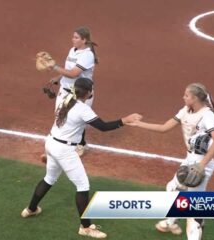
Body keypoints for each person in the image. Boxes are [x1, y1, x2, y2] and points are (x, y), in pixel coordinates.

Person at [21, 78, 141, 239]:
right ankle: (85, 227)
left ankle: (30, 209)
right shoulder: (82, 109)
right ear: (89, 93)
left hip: (51, 143)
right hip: (64, 150)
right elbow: (103, 127)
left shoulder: (64, 99)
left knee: (49, 178)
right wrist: (125, 120)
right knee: (83, 186)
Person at [128, 83, 214, 240]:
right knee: (173, 188)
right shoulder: (185, 111)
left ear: (194, 98)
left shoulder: (207, 115)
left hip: (202, 162)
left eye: (186, 95)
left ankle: (191, 226)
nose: (183, 97)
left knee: (193, 208)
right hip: (190, 159)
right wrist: (139, 124)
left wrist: (201, 165)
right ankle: (171, 222)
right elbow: (164, 128)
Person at [50, 26, 99, 156]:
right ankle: (63, 143)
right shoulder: (73, 50)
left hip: (80, 93)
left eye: (76, 37)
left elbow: (73, 74)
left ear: (84, 40)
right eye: (73, 37)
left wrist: (54, 67)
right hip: (66, 90)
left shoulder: (87, 55)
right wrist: (58, 77)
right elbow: (68, 69)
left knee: (79, 119)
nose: (73, 39)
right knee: (61, 114)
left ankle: (81, 144)